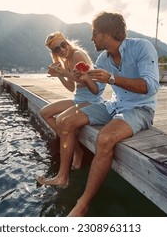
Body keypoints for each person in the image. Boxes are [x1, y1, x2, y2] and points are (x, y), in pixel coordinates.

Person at [57, 11, 160, 216]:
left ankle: (83, 203)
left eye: (94, 33)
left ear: (107, 33)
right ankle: (63, 176)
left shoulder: (141, 47)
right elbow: (96, 90)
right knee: (66, 122)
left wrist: (111, 78)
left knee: (104, 138)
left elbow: (150, 86)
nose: (92, 38)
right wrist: (84, 77)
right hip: (113, 105)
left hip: (140, 109)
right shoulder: (103, 58)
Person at [36, 32, 104, 186]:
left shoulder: (78, 55)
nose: (61, 49)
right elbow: (71, 86)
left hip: (91, 100)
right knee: (45, 112)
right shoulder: (66, 60)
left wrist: (62, 72)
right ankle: (77, 150)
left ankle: (62, 176)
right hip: (79, 98)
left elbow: (84, 79)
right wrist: (59, 75)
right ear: (53, 53)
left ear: (67, 42)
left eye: (62, 45)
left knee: (61, 120)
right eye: (56, 49)